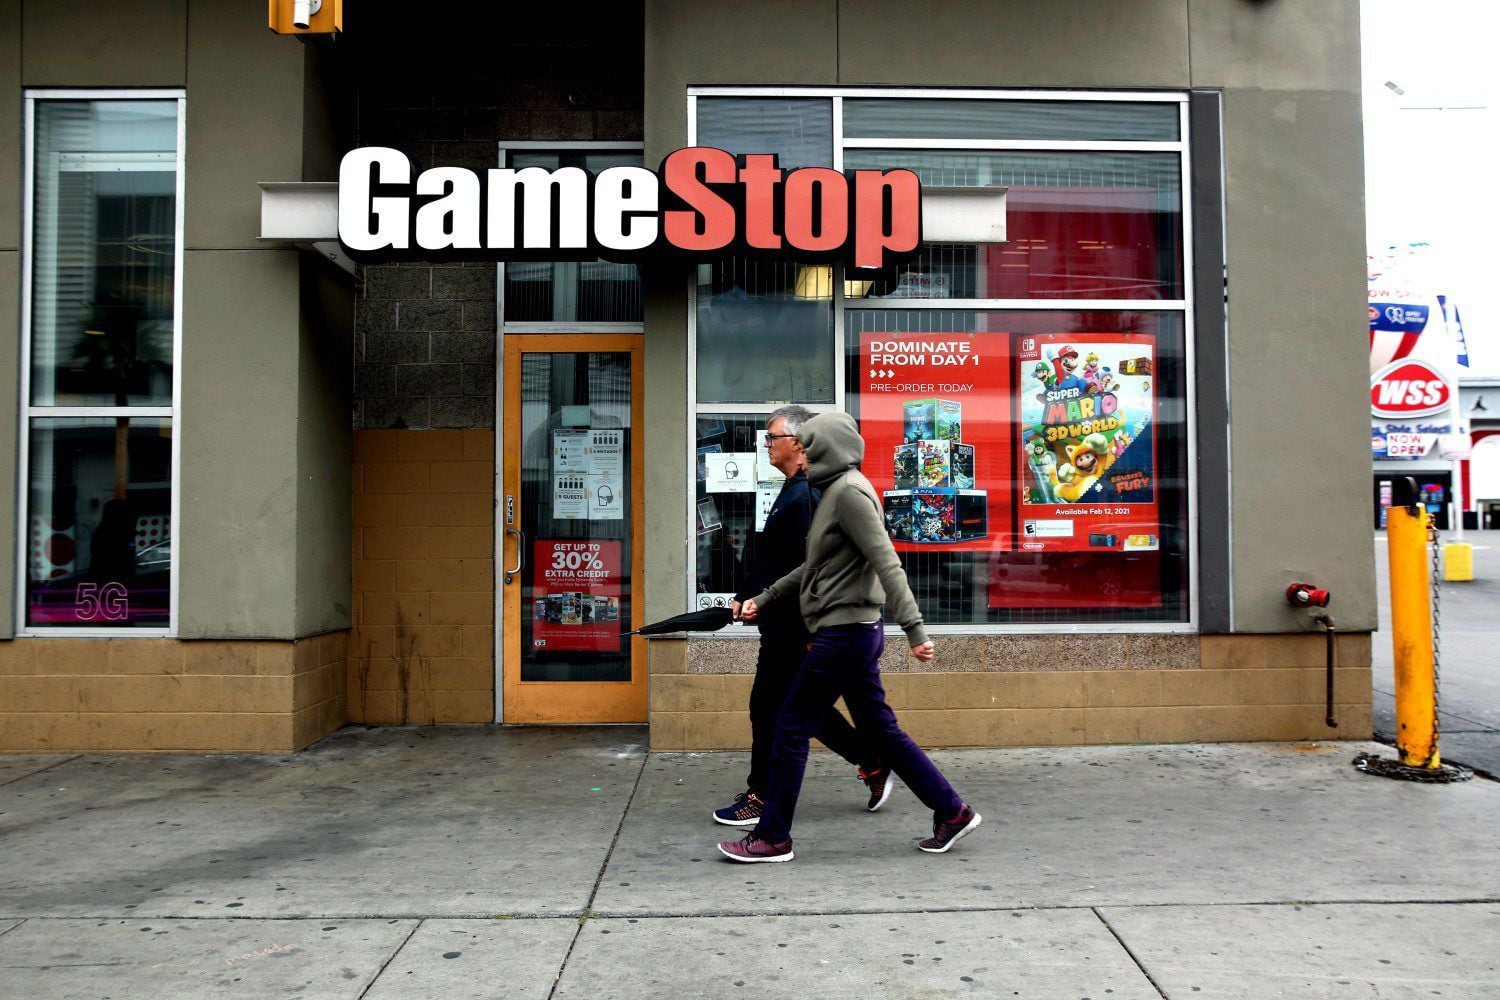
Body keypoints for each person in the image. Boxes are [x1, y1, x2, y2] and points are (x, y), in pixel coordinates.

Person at [720, 411, 980, 863]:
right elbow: (813, 565)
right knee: (883, 731)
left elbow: (887, 561)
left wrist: (915, 629)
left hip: (846, 630)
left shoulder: (850, 493)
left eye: (807, 444)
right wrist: (768, 595)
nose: (801, 450)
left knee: (791, 726)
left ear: (826, 447)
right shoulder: (833, 493)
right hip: (849, 630)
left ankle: (773, 837)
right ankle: (952, 811)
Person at [714, 406, 889, 827]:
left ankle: (763, 795)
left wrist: (791, 614)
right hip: (782, 619)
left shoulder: (809, 496)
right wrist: (749, 596)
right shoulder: (794, 490)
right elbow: (775, 561)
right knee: (799, 708)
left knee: (770, 707)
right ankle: (872, 759)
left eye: (772, 437)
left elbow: (811, 568)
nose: (767, 444)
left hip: (797, 624)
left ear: (798, 442)